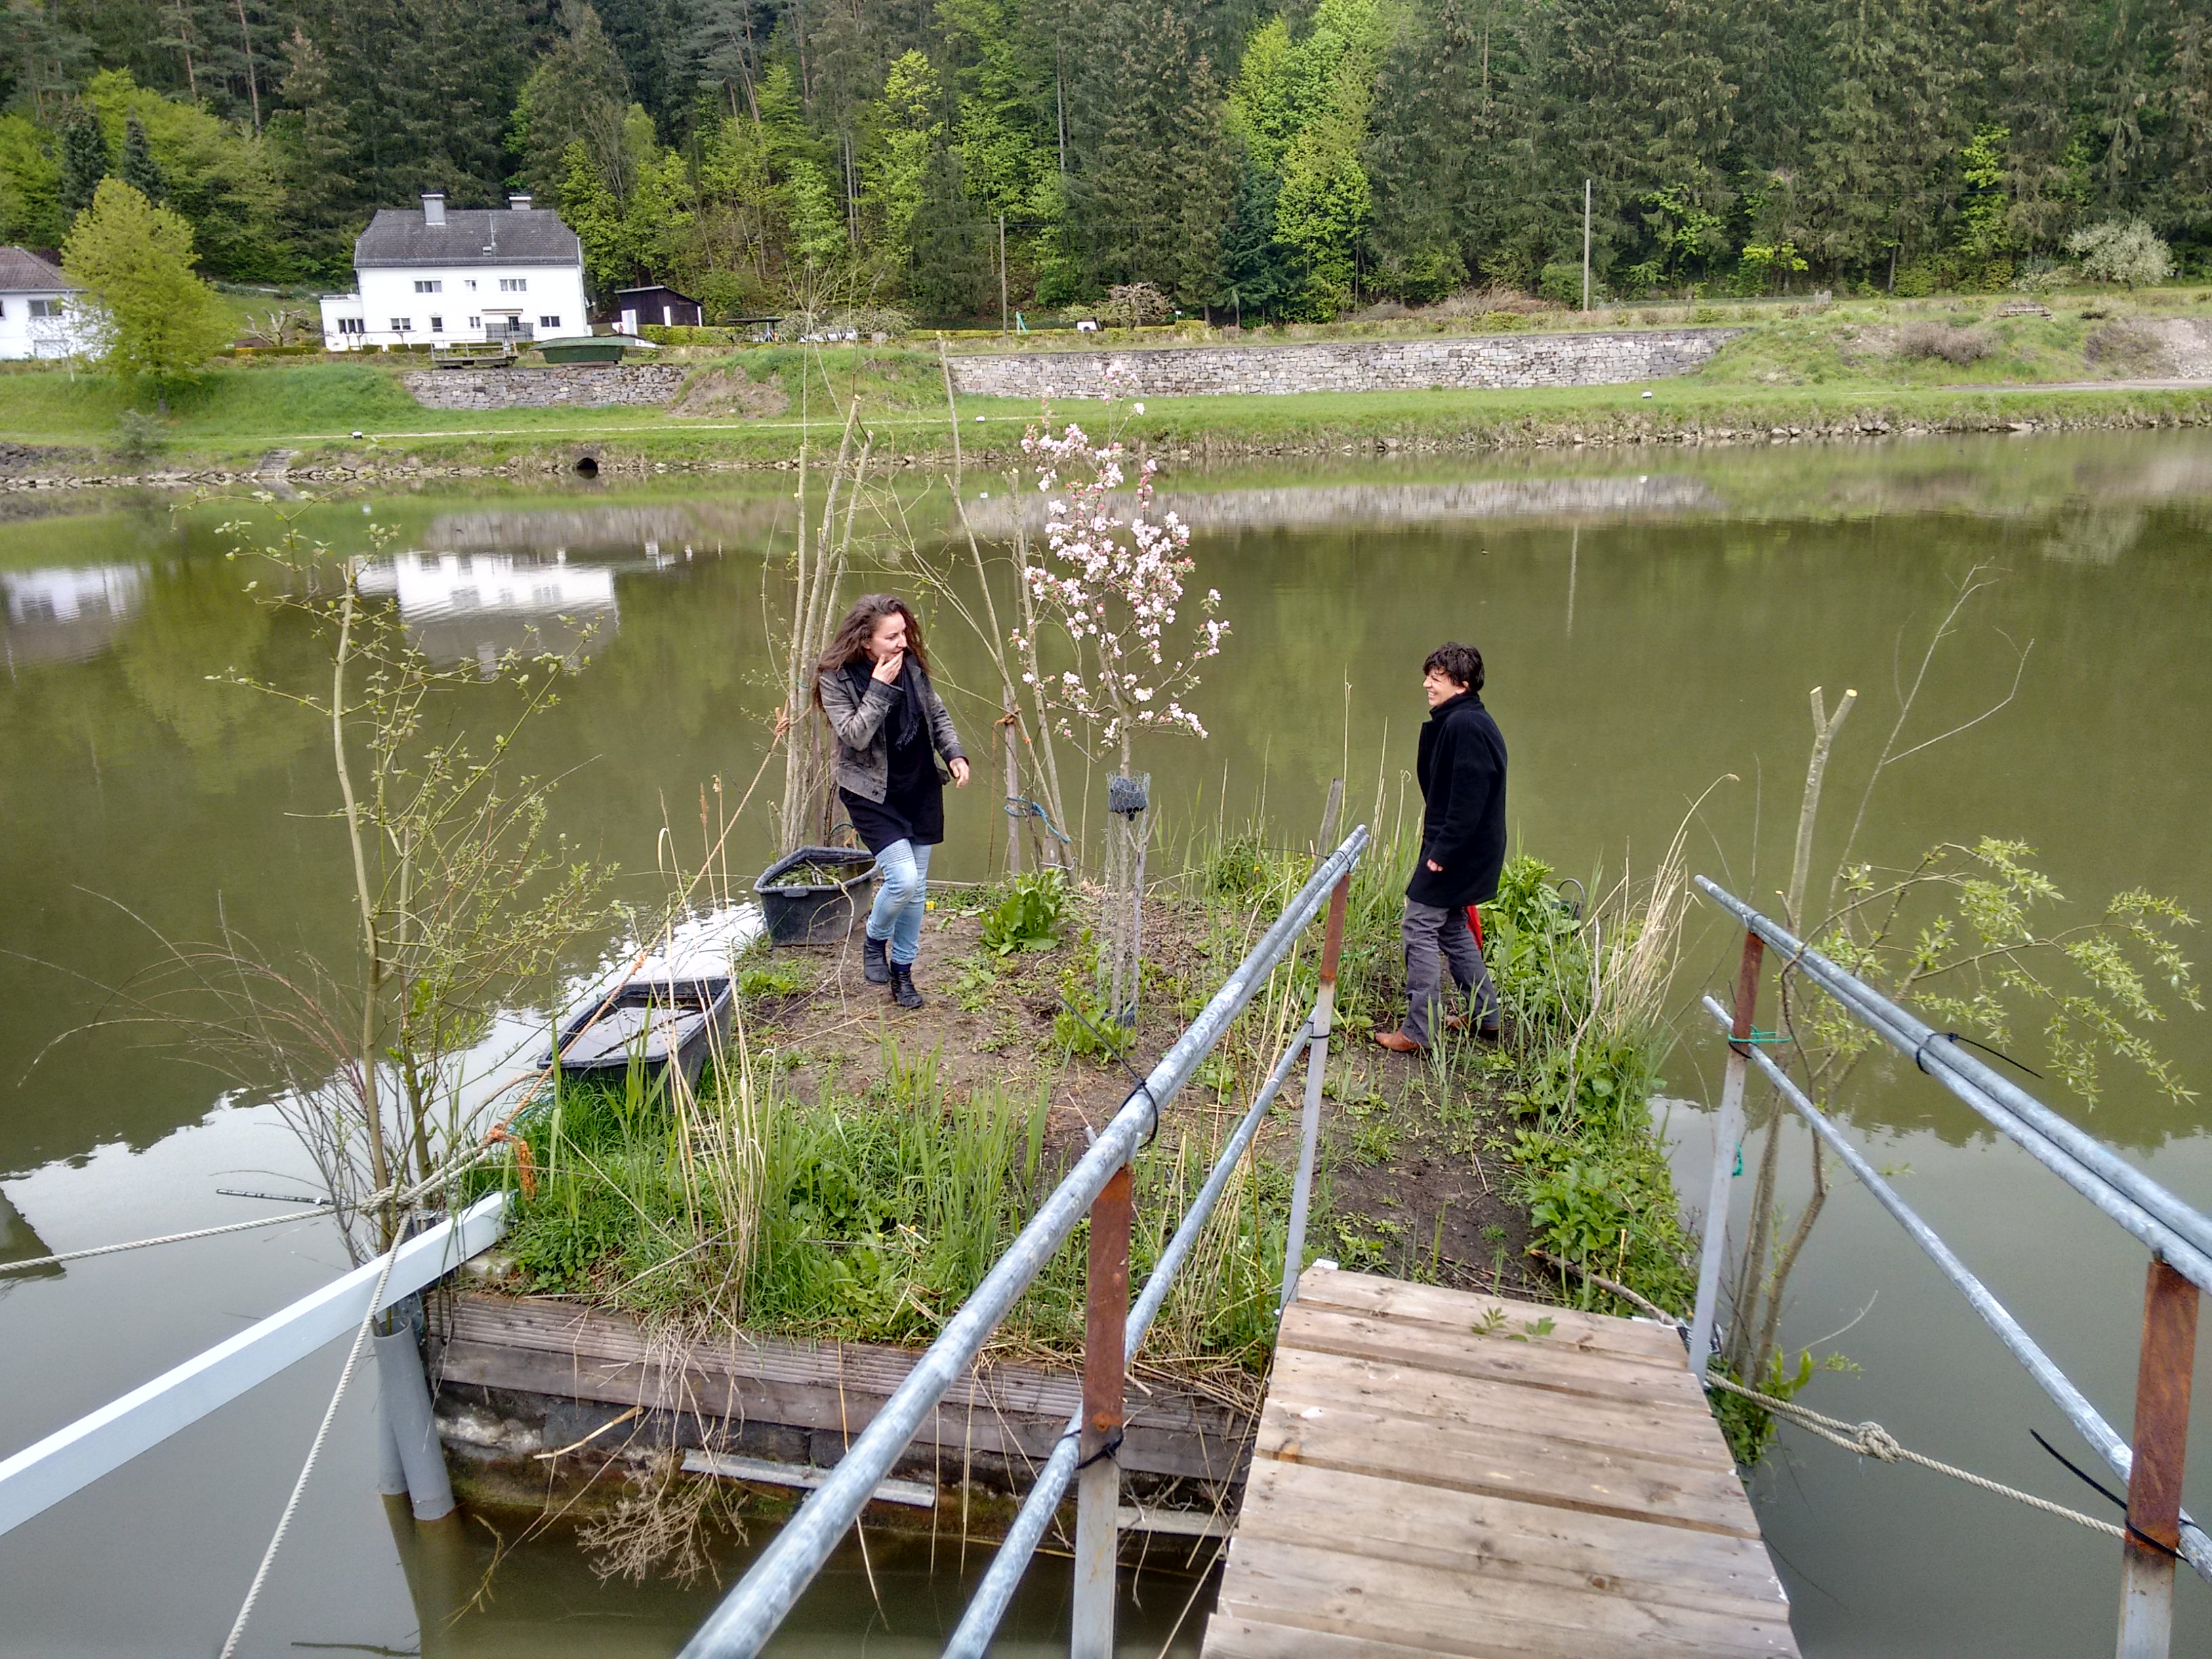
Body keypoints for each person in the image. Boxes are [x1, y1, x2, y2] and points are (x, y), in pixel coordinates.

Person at [816, 595, 970, 1008]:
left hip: (918, 786)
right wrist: (881, 688)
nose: (903, 642)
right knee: (901, 880)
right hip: (870, 792)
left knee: (916, 891)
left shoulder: (913, 665)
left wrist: (953, 754)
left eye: (903, 632)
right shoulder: (837, 677)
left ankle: (902, 973)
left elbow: (936, 714)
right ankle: (873, 940)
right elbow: (854, 736)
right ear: (866, 641)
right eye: (892, 636)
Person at [1376, 640, 1507, 1054]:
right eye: (1428, 675)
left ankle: (1419, 1031)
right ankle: (1486, 1016)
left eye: (1437, 678)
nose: (1427, 684)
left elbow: (1469, 799)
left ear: (1462, 684)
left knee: (1418, 926)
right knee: (1451, 926)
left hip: (1456, 851)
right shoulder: (1464, 719)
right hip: (1464, 849)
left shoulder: (1465, 726)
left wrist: (1442, 853)